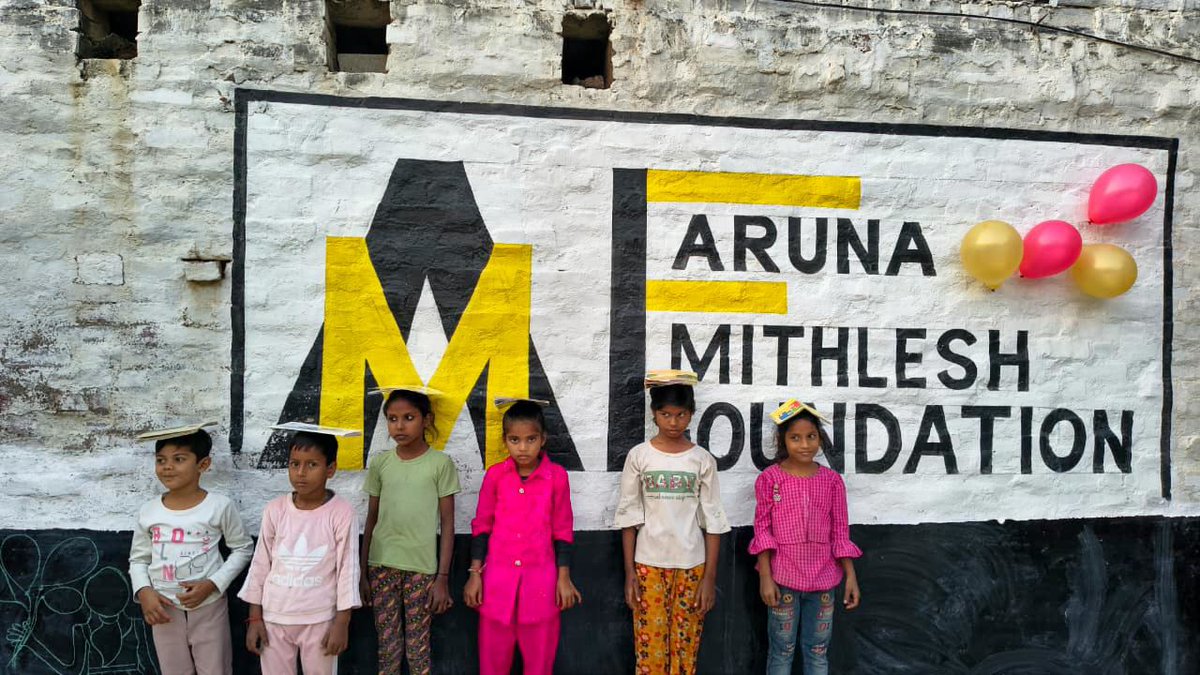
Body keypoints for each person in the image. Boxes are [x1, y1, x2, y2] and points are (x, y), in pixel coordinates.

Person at [613, 370, 730, 675]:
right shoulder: (639, 456)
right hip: (647, 565)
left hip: (692, 566)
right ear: (654, 415)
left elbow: (713, 521)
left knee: (685, 648)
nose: (673, 422)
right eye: (666, 414)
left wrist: (709, 578)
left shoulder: (702, 460)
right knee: (649, 647)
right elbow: (629, 516)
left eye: (680, 415)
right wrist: (629, 573)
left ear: (691, 415)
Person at [464, 398, 580, 675]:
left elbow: (562, 530)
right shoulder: (495, 477)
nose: (523, 447)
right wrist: (474, 574)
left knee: (539, 665)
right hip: (496, 586)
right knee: (492, 665)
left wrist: (564, 578)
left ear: (543, 439)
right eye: (515, 440)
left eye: (530, 439)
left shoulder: (557, 477)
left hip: (541, 585)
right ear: (505, 440)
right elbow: (482, 527)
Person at [129, 422, 253, 675]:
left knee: (215, 669)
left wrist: (213, 584)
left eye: (179, 459)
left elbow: (242, 549)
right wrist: (144, 592)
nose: (167, 467)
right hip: (163, 607)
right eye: (161, 460)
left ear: (203, 465)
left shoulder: (219, 506)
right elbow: (138, 559)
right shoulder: (149, 511)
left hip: (208, 604)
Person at [238, 423, 363, 675]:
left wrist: (342, 622)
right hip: (275, 617)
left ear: (331, 469)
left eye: (312, 465)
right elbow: (260, 564)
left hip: (319, 619)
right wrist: (255, 618)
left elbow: (348, 569)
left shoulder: (341, 513)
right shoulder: (275, 509)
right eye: (295, 464)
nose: (301, 473)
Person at [750, 400, 862, 675]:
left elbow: (840, 532)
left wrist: (850, 576)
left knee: (817, 652)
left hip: (824, 582)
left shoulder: (832, 481)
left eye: (811, 437)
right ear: (782, 440)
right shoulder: (770, 480)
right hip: (783, 580)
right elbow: (762, 530)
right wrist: (765, 576)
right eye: (795, 438)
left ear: (820, 438)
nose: (804, 445)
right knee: (782, 651)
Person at [361, 387, 461, 675]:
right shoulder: (381, 463)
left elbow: (448, 524)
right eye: (392, 419)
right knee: (387, 646)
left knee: (418, 648)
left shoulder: (440, 464)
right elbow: (371, 519)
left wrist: (442, 578)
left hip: (421, 569)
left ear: (426, 420)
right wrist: (363, 572)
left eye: (408, 417)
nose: (399, 426)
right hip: (381, 566)